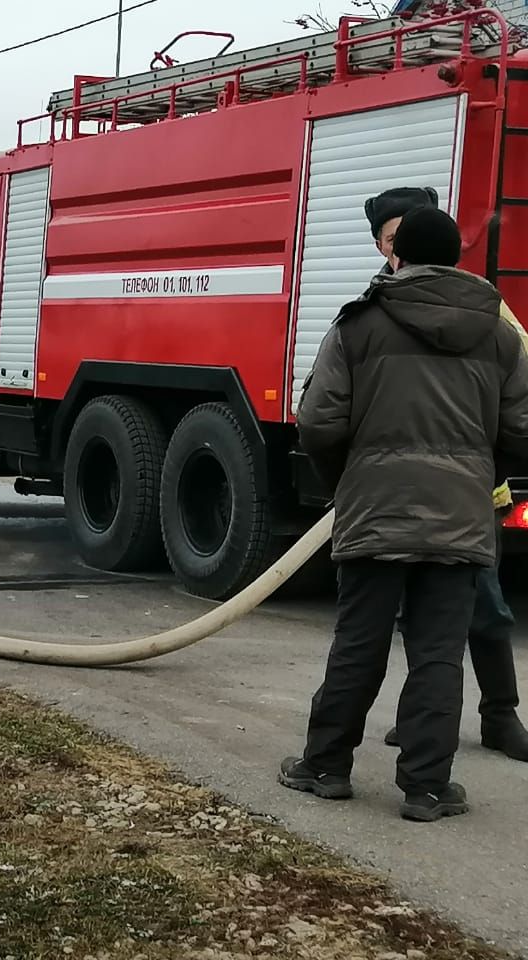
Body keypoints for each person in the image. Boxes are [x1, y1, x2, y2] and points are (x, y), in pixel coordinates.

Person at [280, 207, 528, 822]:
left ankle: (325, 766)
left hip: (374, 508)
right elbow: (522, 428)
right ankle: (427, 788)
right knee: (439, 652)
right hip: (461, 516)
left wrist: (349, 479)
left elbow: (317, 420)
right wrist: (478, 474)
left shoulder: (358, 323)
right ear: (456, 258)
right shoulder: (499, 333)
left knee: (359, 644)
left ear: (398, 254)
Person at [366, 187, 528, 762]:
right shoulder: (372, 305)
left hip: (473, 493)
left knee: (486, 608)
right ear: (385, 248)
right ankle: (421, 720)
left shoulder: (483, 305)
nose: (399, 247)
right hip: (401, 494)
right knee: (420, 616)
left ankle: (500, 716)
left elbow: (518, 390)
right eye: (390, 238)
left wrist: (487, 467)